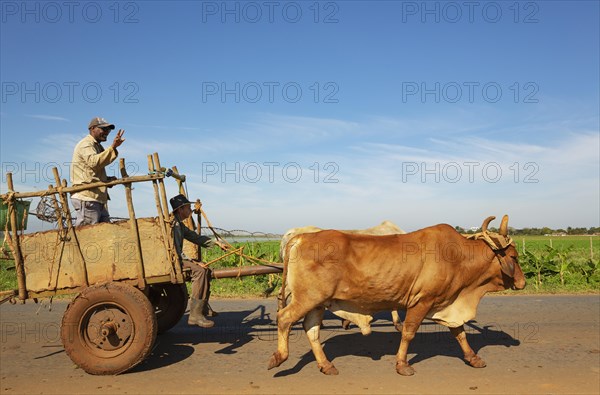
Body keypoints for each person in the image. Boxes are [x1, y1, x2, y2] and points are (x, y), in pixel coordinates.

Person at [170, 194, 227, 328]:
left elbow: (194, 237)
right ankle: (194, 315)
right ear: (180, 209)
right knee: (199, 271)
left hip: (178, 258)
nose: (190, 210)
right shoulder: (172, 224)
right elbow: (174, 250)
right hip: (173, 260)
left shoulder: (180, 224)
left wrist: (215, 243)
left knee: (204, 270)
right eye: (188, 207)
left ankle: (202, 308)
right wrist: (193, 262)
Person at [70, 117, 125, 226]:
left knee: (104, 230)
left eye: (108, 130)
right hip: (87, 197)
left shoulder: (96, 145)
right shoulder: (86, 144)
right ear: (92, 128)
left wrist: (106, 179)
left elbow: (93, 169)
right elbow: (94, 162)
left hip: (94, 197)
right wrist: (113, 147)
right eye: (103, 129)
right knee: (89, 235)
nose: (106, 132)